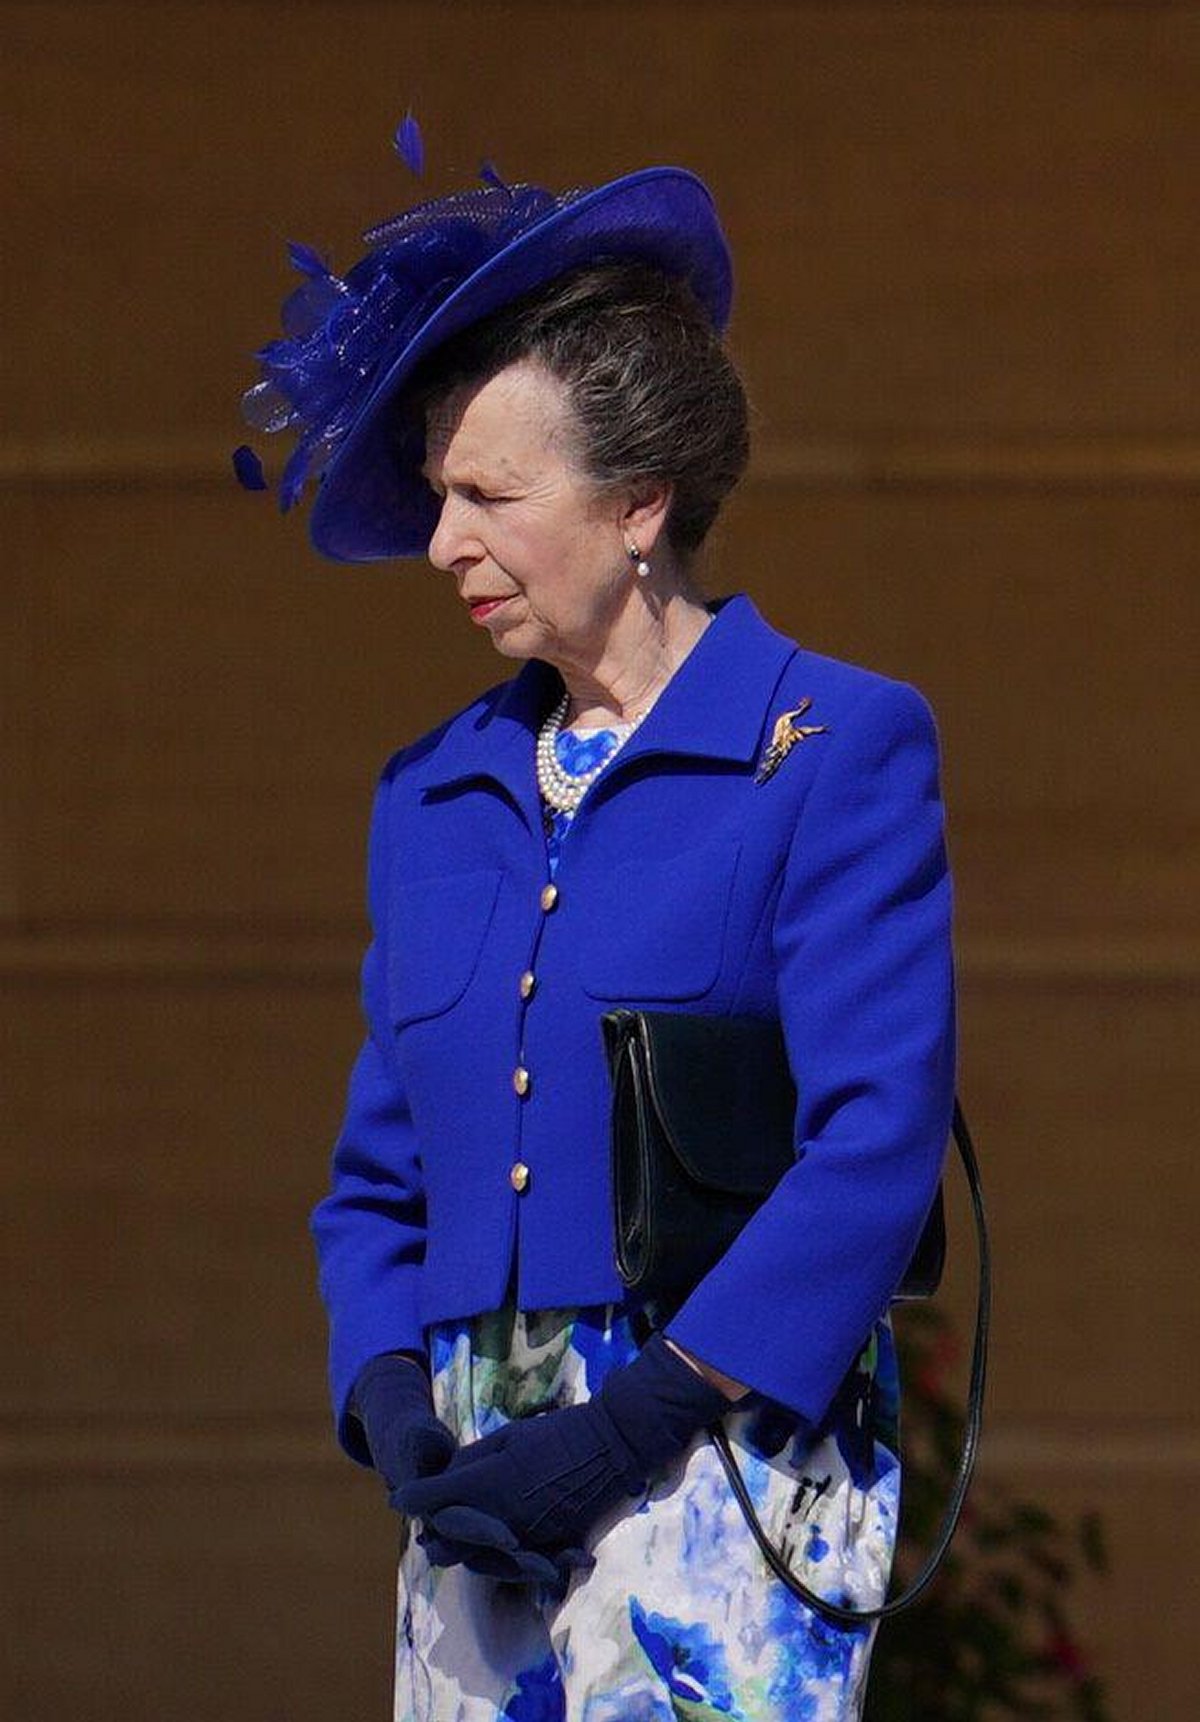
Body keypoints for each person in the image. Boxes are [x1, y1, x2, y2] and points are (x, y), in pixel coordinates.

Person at [238, 133, 955, 1722]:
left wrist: (627, 1426)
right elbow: (374, 1181)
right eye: (438, 497)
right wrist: (393, 1405)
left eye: (489, 493)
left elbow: (874, 1147)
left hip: (719, 1455)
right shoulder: (428, 794)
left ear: (639, 502)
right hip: (474, 1484)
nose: (443, 544)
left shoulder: (832, 743)